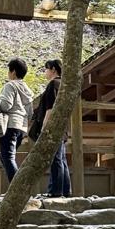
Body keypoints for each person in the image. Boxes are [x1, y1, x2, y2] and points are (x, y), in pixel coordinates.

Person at [0, 57, 34, 186]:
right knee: (4, 157)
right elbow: (30, 113)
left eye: (9, 70)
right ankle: (15, 187)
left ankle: (18, 188)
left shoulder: (10, 85)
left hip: (10, 125)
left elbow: (6, 105)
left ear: (13, 72)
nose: (8, 73)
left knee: (8, 157)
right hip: (22, 127)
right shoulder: (27, 90)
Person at [39, 58, 71, 196]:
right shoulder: (64, 86)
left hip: (53, 126)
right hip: (62, 126)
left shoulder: (53, 84)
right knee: (61, 159)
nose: (45, 72)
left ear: (53, 69)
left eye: (46, 69)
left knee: (55, 159)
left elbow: (50, 108)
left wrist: (44, 127)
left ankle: (55, 191)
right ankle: (65, 190)